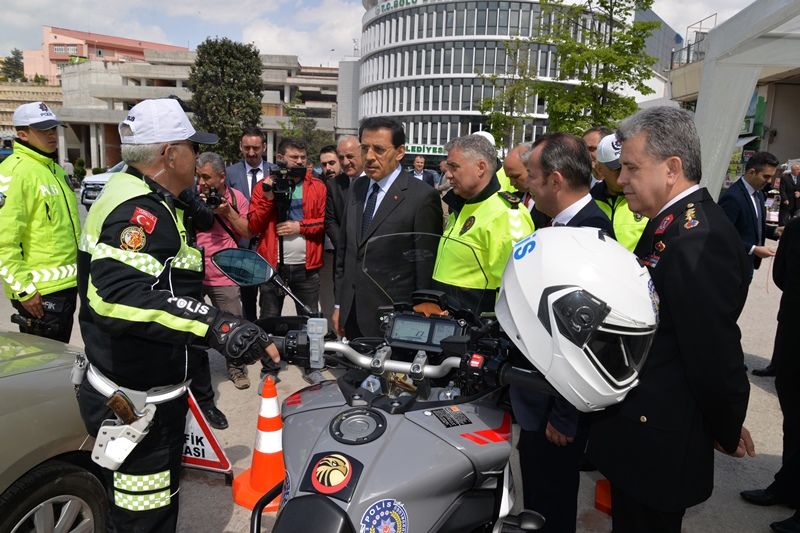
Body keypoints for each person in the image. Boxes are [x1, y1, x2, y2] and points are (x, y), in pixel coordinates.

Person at [76, 98, 279, 533]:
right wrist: (214, 323)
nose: (197, 155)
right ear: (170, 155)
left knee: (146, 503)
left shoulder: (145, 195)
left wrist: (194, 202)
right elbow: (116, 297)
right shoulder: (138, 212)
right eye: (190, 146)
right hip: (136, 397)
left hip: (139, 383)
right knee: (144, 515)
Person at [587, 106, 754, 533]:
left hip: (663, 433)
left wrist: (725, 423)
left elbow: (712, 349)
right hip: (644, 427)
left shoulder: (698, 238)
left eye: (630, 167)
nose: (620, 179)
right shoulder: (672, 223)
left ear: (671, 168)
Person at [511, 131, 612, 533]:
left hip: (557, 407)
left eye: (531, 177)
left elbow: (585, 336)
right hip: (539, 397)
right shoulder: (557, 222)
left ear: (555, 179)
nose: (527, 185)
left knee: (551, 503)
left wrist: (566, 417)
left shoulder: (589, 233)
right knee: (537, 497)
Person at [333, 117, 443, 338]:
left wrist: (419, 317)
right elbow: (345, 253)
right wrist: (338, 305)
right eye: (365, 148)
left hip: (395, 318)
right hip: (351, 311)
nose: (370, 157)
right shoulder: (357, 188)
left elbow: (425, 265)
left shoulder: (421, 197)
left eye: (379, 149)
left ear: (400, 152)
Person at [0, 101, 81, 342]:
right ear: (22, 134)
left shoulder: (54, 170)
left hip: (65, 286)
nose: (51, 135)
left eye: (53, 129)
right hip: (39, 294)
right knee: (43, 367)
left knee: (57, 366)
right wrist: (23, 290)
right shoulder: (15, 172)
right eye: (43, 130)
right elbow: (4, 242)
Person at [740, 215, 800, 533]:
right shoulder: (797, 227)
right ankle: (787, 486)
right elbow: (782, 276)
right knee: (793, 417)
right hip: (793, 336)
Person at [432, 134, 534, 313]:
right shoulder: (463, 204)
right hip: (449, 323)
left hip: (477, 330)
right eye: (448, 168)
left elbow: (515, 287)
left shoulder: (506, 214)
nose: (448, 175)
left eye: (454, 167)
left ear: (480, 168)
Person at [196, 151, 253, 390]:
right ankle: (197, 374)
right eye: (198, 177)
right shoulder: (191, 196)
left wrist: (227, 212)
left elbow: (248, 232)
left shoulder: (237, 198)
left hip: (224, 275)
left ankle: (236, 367)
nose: (202, 183)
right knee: (195, 326)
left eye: (207, 177)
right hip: (196, 273)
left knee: (232, 325)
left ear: (222, 176)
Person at [718, 151, 781, 283]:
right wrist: (753, 249)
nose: (769, 181)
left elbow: (752, 224)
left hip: (747, 266)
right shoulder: (733, 197)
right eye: (766, 176)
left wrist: (774, 231)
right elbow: (721, 236)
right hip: (731, 269)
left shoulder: (758, 194)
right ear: (751, 172)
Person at [226, 126, 268, 321]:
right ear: (241, 147)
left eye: (256, 148)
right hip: (242, 246)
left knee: (269, 300)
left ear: (264, 148)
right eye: (247, 147)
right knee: (247, 299)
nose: (251, 152)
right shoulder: (229, 174)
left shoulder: (275, 173)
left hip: (268, 244)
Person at [591, 133, 648, 251]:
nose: (625, 175)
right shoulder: (588, 201)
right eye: (618, 168)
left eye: (631, 167)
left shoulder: (650, 200)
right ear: (600, 170)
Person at [503, 142, 550, 229]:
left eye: (515, 176)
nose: (512, 183)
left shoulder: (551, 202)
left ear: (532, 167)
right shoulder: (510, 200)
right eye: (509, 177)